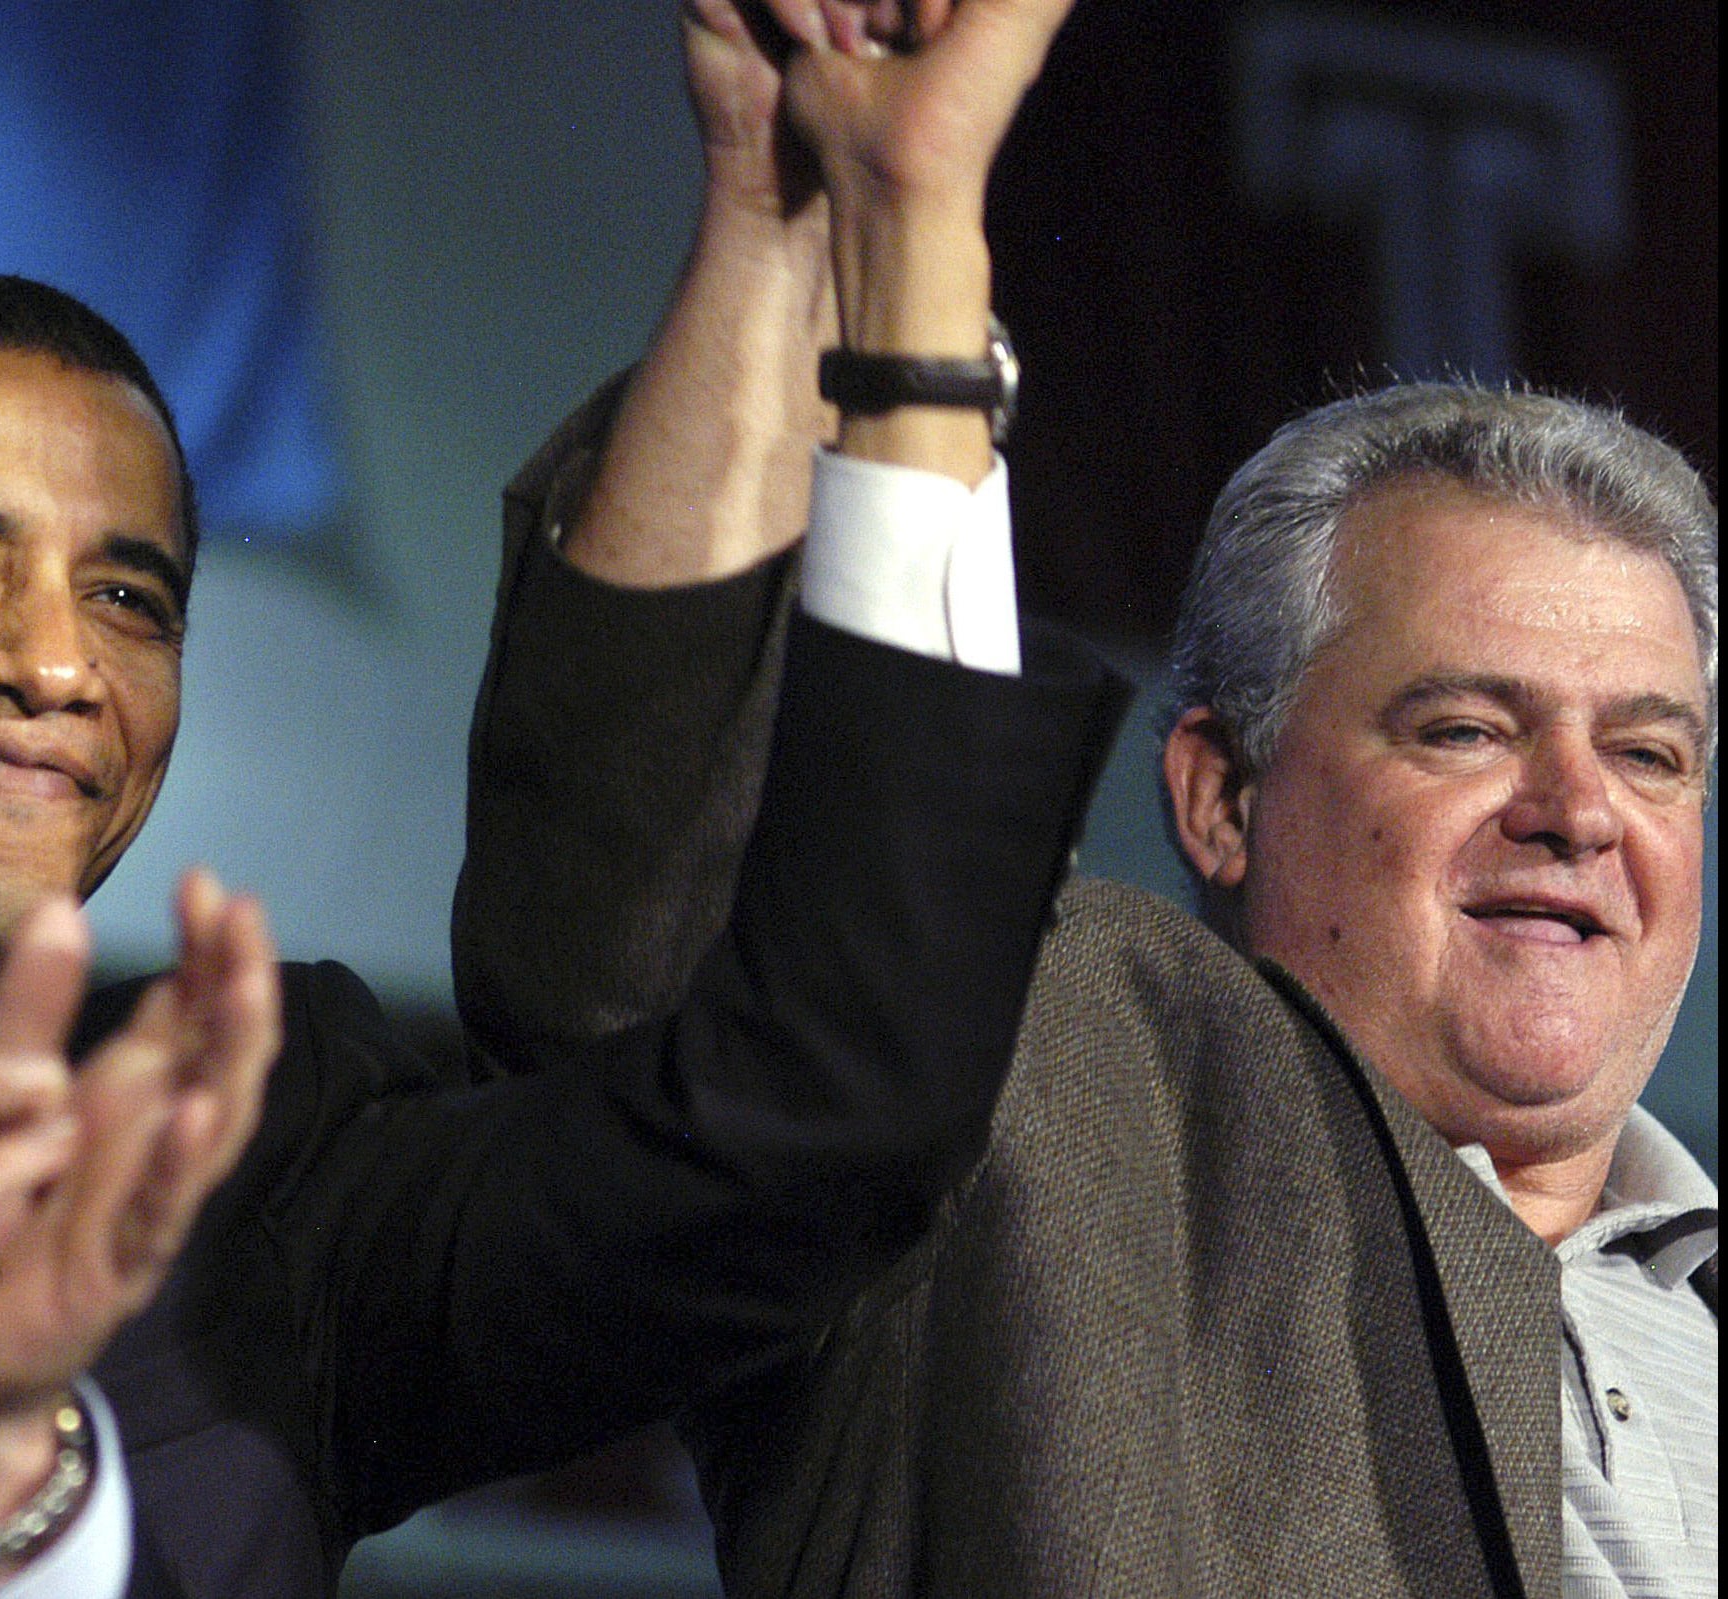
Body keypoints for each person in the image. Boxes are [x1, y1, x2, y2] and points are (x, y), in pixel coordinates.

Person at [0, 199, 1128, 1599]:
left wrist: (873, 229)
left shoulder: (268, 1157)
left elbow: (813, 1115)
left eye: (130, 599)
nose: (55, 666)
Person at [454, 2, 1718, 1596]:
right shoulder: (1025, 1108)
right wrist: (809, 240)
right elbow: (631, 941)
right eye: (1466, 728)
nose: (1578, 808)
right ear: (1221, 797)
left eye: (1651, 752)